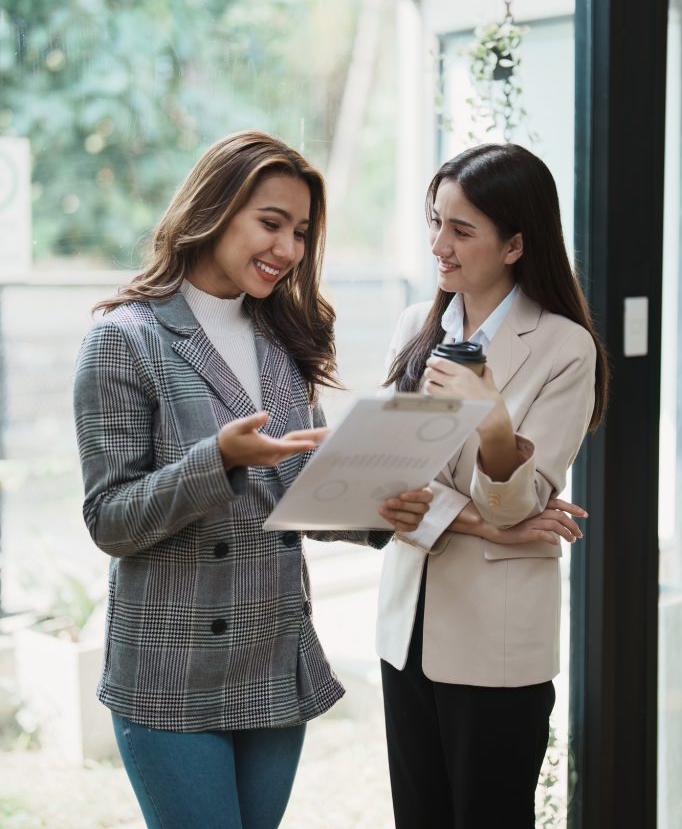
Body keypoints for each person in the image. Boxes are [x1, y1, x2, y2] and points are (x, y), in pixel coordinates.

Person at [73, 130, 431, 829]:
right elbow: (109, 520)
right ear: (214, 207)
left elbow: (292, 495)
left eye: (300, 232)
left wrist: (379, 509)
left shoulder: (283, 338)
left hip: (272, 657)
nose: (289, 249)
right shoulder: (125, 337)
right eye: (271, 223)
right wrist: (220, 460)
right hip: (172, 670)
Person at [377, 142, 609, 829]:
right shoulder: (412, 329)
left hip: (497, 640)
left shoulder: (565, 347)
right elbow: (390, 488)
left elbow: (519, 500)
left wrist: (494, 421)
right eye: (434, 221)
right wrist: (481, 525)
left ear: (513, 245)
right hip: (405, 628)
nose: (438, 245)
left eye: (460, 229)